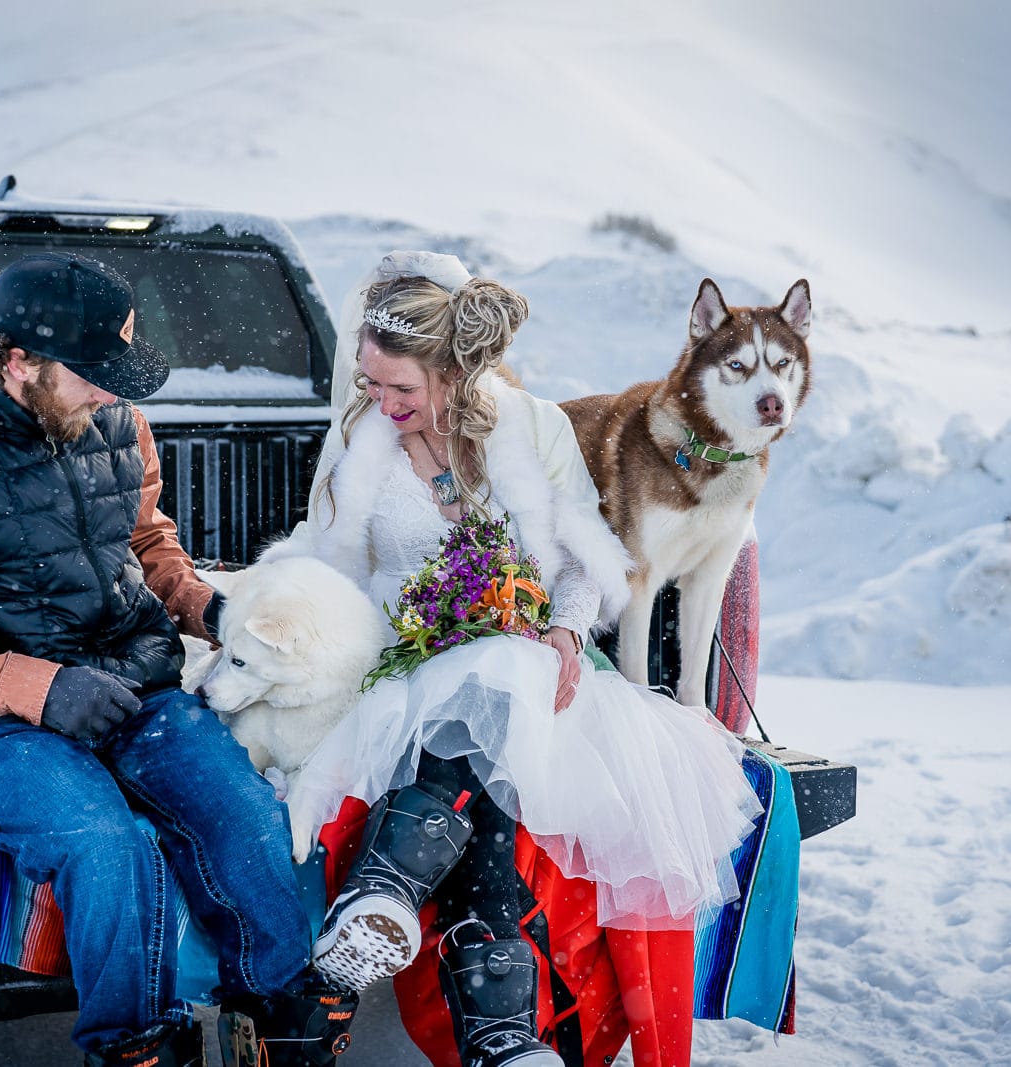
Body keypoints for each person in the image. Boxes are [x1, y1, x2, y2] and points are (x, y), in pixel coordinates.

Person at [0, 253, 353, 1067]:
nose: (115, 390)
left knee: (247, 817)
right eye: (95, 373)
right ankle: (134, 1045)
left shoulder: (117, 421)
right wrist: (40, 688)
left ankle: (282, 1015)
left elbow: (146, 541)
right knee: (106, 846)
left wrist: (208, 607)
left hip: (136, 688)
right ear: (19, 360)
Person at [268, 252, 765, 1067]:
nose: (381, 404)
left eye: (402, 390)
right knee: (485, 696)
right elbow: (334, 570)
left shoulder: (531, 429)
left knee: (500, 672)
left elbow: (583, 563)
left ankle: (385, 887)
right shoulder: (363, 438)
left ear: (455, 376)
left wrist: (567, 631)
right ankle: (498, 1029)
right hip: (405, 662)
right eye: (371, 384)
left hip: (534, 661)